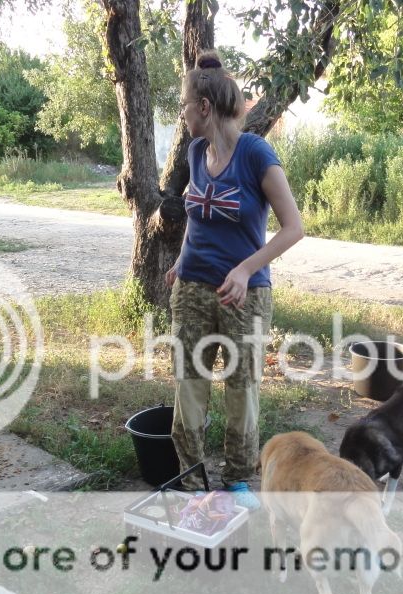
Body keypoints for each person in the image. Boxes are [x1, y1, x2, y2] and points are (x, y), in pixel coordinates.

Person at [165, 49, 304, 509]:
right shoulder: (195, 152)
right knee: (190, 383)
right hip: (191, 288)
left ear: (203, 107)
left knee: (242, 388)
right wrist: (182, 262)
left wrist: (245, 269)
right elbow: (198, 216)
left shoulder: (256, 153)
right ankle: (191, 480)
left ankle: (238, 480)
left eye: (184, 106)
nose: (182, 115)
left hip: (244, 295)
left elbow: (293, 227)